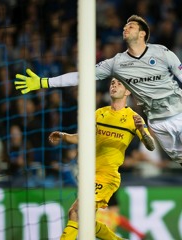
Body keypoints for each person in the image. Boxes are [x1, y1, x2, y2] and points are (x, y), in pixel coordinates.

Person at [14, 14, 182, 166]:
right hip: (157, 122)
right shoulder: (117, 63)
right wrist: (45, 82)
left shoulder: (161, 52)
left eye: (130, 26)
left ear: (142, 33)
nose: (125, 28)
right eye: (124, 26)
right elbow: (82, 76)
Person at [48, 78, 155, 240]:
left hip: (107, 177)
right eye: (112, 83)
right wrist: (63, 136)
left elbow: (151, 145)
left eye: (119, 84)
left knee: (76, 212)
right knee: (87, 222)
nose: (114, 85)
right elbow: (81, 137)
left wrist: (141, 128)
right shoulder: (99, 113)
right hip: (89, 175)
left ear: (128, 91)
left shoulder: (133, 118)